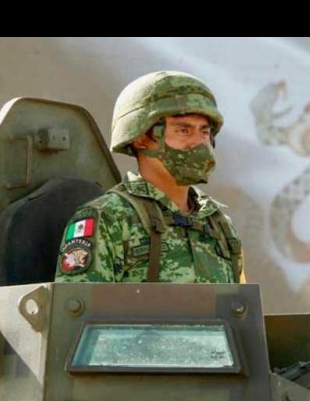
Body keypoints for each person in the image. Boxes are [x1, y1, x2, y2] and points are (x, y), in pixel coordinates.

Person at [55, 70, 244, 283]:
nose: (199, 143)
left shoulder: (219, 225)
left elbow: (239, 302)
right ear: (140, 138)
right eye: (183, 131)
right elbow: (80, 303)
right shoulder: (109, 219)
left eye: (204, 132)